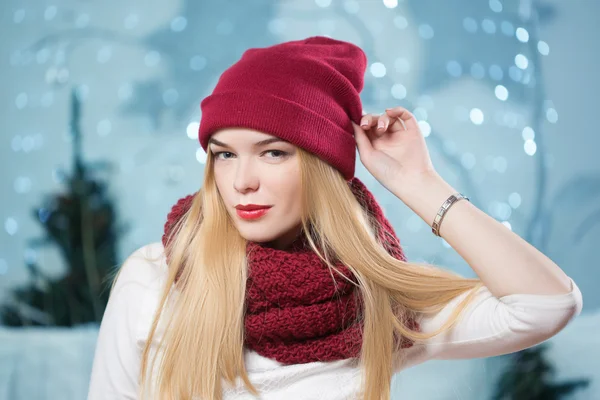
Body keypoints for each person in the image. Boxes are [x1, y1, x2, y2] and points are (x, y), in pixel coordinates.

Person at [87, 36, 583, 400]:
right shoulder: (155, 278)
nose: (242, 181)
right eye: (224, 154)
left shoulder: (375, 305)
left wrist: (420, 185)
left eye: (274, 153)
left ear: (322, 169)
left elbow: (546, 304)